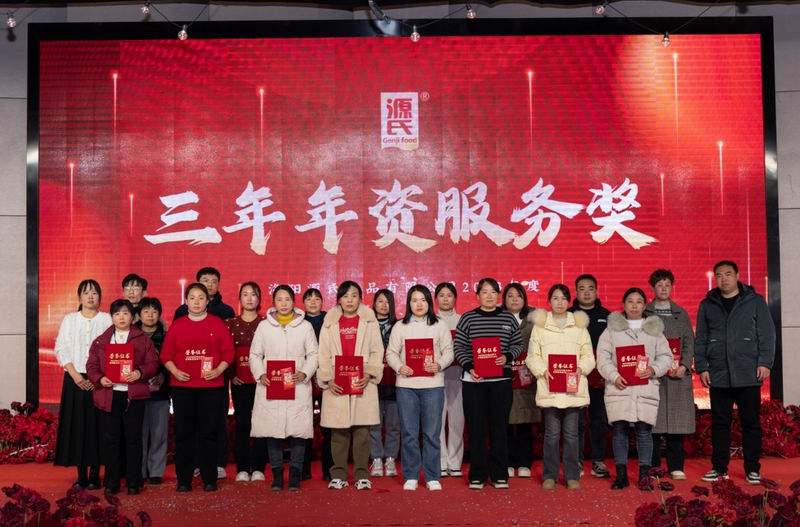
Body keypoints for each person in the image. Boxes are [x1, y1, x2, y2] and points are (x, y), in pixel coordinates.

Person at [695, 260, 775, 485]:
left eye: (728, 274)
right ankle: (719, 468)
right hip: (719, 373)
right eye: (719, 275)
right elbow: (701, 338)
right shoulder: (707, 304)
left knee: (751, 423)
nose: (724, 279)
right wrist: (702, 367)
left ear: (738, 275)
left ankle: (752, 469)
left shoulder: (755, 301)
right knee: (720, 424)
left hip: (748, 372)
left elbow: (767, 334)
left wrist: (765, 362)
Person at [596, 288, 672, 490]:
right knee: (619, 431)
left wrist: (653, 369)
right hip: (619, 387)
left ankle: (644, 477)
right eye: (630, 301)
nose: (634, 305)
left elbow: (666, 357)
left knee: (644, 432)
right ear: (624, 304)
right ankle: (621, 476)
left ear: (645, 305)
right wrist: (614, 376)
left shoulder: (654, 331)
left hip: (646, 388)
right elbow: (602, 358)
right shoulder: (611, 330)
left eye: (639, 302)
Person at [160, 283, 234, 492]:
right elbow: (166, 355)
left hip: (211, 386)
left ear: (207, 301)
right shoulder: (178, 325)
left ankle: (210, 478)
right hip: (182, 386)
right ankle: (184, 480)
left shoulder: (217, 324)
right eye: (192, 298)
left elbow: (228, 352)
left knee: (208, 432)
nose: (196, 302)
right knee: (184, 433)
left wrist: (218, 370)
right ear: (186, 301)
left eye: (201, 298)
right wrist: (175, 371)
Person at [453, 278, 522, 490]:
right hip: (474, 381)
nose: (489, 296)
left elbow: (518, 343)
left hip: (501, 382)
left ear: (498, 295)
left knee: (499, 428)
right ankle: (477, 474)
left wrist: (507, 356)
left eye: (493, 292)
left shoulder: (508, 318)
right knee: (476, 429)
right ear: (477, 296)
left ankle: (500, 474)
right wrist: (469, 367)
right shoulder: (467, 318)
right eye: (485, 292)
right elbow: (459, 347)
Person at [86, 299, 160, 495]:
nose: (121, 317)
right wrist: (99, 378)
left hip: (133, 396)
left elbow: (153, 363)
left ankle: (134, 481)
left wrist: (139, 372)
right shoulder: (101, 340)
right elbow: (91, 366)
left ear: (132, 317)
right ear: (112, 317)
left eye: (126, 313)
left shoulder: (142, 339)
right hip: (109, 395)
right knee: (111, 440)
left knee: (133, 439)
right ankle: (112, 482)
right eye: (117, 314)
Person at [250, 285, 319, 491]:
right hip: (271, 384)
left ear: (293, 302)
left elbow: (313, 354)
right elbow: (255, 354)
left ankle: (295, 474)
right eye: (279, 299)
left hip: (297, 384)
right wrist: (260, 374)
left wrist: (305, 372)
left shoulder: (305, 326)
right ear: (273, 302)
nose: (283, 303)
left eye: (287, 299)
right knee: (272, 431)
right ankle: (277, 475)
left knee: (299, 431)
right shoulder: (264, 326)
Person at [316, 281, 384, 490]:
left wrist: (369, 372)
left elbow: (377, 350)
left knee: (362, 432)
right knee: (338, 433)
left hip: (362, 380)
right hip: (337, 382)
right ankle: (338, 475)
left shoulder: (369, 321)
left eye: (354, 296)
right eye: (345, 296)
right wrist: (328, 378)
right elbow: (323, 354)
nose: (350, 300)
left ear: (360, 298)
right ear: (338, 299)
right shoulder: (330, 322)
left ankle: (362, 474)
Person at [526, 284, 594, 490]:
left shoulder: (579, 326)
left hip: (573, 388)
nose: (560, 302)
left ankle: (572, 476)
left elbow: (588, 356)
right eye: (555, 298)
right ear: (549, 301)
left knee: (572, 435)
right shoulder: (540, 326)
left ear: (569, 301)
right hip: (550, 387)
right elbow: (532, 356)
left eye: (564, 298)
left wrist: (581, 369)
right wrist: (542, 371)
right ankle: (550, 475)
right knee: (552, 435)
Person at [386, 285, 454, 491]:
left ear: (429, 302)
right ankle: (411, 475)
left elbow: (449, 352)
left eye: (423, 300)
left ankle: (432, 475)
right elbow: (391, 353)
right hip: (406, 386)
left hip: (433, 385)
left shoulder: (439, 325)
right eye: (414, 300)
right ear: (409, 303)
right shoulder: (400, 326)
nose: (419, 304)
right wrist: (399, 367)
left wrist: (439, 365)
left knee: (432, 434)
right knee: (409, 433)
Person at [54, 279, 113, 489]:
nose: (90, 296)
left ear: (100, 297)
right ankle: (81, 475)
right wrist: (75, 376)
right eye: (86, 293)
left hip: (100, 380)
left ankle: (95, 474)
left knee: (98, 427)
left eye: (94, 292)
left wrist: (98, 377)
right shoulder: (70, 319)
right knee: (78, 426)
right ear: (79, 297)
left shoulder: (107, 319)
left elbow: (113, 349)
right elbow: (61, 348)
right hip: (75, 379)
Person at [644, 270, 696, 480]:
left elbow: (689, 343)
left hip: (676, 375)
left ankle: (676, 467)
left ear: (672, 287)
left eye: (667, 285)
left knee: (676, 424)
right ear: (653, 288)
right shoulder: (645, 313)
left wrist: (684, 366)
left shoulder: (681, 313)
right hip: (652, 375)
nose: (663, 288)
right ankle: (654, 467)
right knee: (653, 425)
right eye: (659, 285)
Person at [569, 274, 612, 479]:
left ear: (596, 291)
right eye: (582, 288)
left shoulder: (607, 316)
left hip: (600, 374)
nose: (586, 292)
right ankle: (575, 461)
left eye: (590, 288)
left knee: (598, 419)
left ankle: (598, 460)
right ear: (576, 292)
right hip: (574, 373)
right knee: (575, 420)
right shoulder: (568, 315)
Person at [226, 283, 267, 483]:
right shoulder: (230, 324)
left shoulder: (267, 323)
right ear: (240, 299)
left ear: (259, 299)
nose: (249, 298)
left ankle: (258, 467)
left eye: (253, 295)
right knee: (242, 424)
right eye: (245, 294)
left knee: (262, 423)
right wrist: (231, 374)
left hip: (263, 382)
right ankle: (242, 468)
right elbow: (224, 352)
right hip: (239, 382)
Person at [502, 282, 539, 479]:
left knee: (525, 421)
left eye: (519, 295)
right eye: (510, 296)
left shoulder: (534, 319)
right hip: (503, 375)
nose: (515, 299)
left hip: (527, 376)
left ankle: (524, 462)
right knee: (505, 421)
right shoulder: (498, 318)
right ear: (504, 299)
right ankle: (508, 461)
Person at [136, 297, 170, 485]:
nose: (150, 315)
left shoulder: (167, 337)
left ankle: (156, 471)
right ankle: (139, 471)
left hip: (160, 393)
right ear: (139, 314)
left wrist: (164, 375)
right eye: (146, 311)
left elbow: (173, 360)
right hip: (136, 392)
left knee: (159, 434)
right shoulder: (130, 336)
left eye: (154, 311)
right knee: (138, 434)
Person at [369, 289, 400, 478]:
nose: (383, 305)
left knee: (394, 425)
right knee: (373, 424)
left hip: (395, 382)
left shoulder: (399, 325)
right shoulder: (367, 325)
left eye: (387, 301)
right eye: (380, 301)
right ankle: (376, 459)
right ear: (373, 304)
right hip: (373, 381)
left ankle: (390, 458)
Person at [435, 282, 464, 478]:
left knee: (457, 420)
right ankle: (440, 460)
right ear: (436, 299)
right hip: (435, 376)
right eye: (442, 295)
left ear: (455, 298)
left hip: (459, 375)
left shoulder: (462, 320)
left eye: (449, 295)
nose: (445, 299)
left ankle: (454, 462)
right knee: (436, 420)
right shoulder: (431, 321)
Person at [301, 287, 329, 480]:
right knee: (304, 425)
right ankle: (303, 470)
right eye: (309, 298)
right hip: (304, 378)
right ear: (303, 303)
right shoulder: (298, 322)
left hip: (327, 377)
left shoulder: (331, 321)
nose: (313, 302)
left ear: (322, 302)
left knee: (329, 426)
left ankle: (329, 470)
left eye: (317, 298)